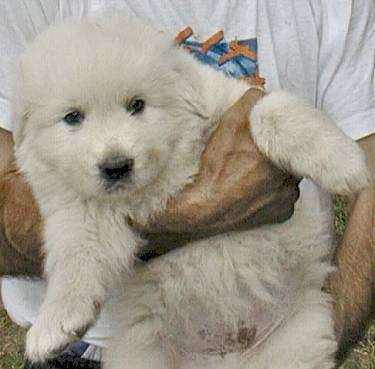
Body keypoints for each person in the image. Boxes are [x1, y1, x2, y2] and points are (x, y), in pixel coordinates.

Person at [0, 1, 373, 368]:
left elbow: (253, 110)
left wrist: (322, 321)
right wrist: (199, 213)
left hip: (281, 325)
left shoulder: (184, 80)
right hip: (151, 343)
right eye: (73, 117)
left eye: (135, 106)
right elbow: (66, 226)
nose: (112, 150)